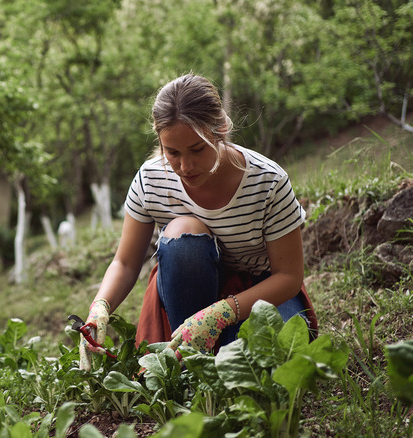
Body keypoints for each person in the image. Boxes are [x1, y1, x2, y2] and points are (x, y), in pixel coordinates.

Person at [78, 74, 317, 370]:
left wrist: (222, 313)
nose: (185, 166)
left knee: (270, 356)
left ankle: (209, 356)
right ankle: (188, 355)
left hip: (260, 295)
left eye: (197, 149)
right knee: (183, 233)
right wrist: (99, 308)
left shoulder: (268, 182)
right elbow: (126, 264)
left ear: (221, 130)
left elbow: (289, 276)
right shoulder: (151, 179)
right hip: (186, 293)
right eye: (173, 152)